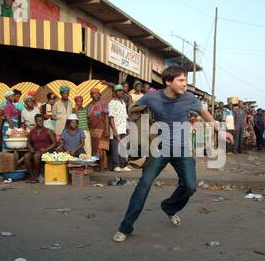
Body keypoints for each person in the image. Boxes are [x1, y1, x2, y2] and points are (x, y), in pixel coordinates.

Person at [113, 65, 233, 243]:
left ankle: (169, 207)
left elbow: (205, 113)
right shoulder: (152, 97)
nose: (185, 84)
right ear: (168, 82)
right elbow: (134, 109)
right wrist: (137, 123)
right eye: (181, 80)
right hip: (159, 148)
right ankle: (125, 227)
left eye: (185, 80)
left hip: (182, 148)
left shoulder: (189, 98)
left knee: (190, 186)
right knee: (144, 184)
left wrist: (220, 130)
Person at [24, 114, 56, 183]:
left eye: (41, 121)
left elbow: (54, 143)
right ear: (35, 122)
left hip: (45, 151)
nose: (40, 122)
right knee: (26, 156)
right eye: (38, 121)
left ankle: (36, 176)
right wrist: (31, 148)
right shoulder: (32, 131)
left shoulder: (48, 131)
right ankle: (32, 175)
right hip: (35, 150)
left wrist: (46, 149)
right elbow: (28, 142)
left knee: (36, 156)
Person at [108, 85, 131, 172]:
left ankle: (123, 165)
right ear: (114, 93)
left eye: (121, 91)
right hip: (116, 128)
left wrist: (127, 127)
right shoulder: (111, 103)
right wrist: (114, 131)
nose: (120, 92)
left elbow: (125, 116)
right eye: (117, 91)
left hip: (123, 128)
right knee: (115, 148)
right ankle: (116, 165)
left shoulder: (123, 102)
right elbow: (111, 118)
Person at [87, 88, 109, 168]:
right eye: (93, 93)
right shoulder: (89, 105)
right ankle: (96, 165)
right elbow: (88, 118)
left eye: (96, 93)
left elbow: (106, 117)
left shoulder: (103, 103)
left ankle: (103, 166)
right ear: (91, 95)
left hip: (101, 128)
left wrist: (107, 129)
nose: (95, 95)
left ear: (99, 94)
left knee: (101, 147)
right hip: (92, 129)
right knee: (95, 147)